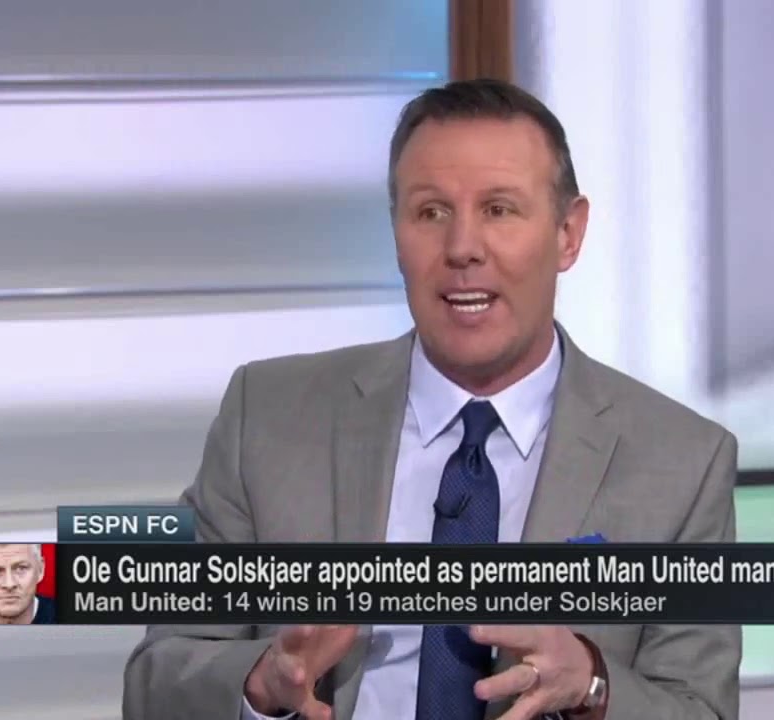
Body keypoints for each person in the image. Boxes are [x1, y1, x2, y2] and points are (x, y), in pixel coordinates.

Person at [123, 78, 740, 719]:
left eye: (499, 210)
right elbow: (155, 682)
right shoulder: (267, 418)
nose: (462, 248)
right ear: (396, 234)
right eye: (431, 213)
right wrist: (260, 684)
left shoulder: (682, 464)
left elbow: (704, 711)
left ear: (568, 233)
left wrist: (593, 686)